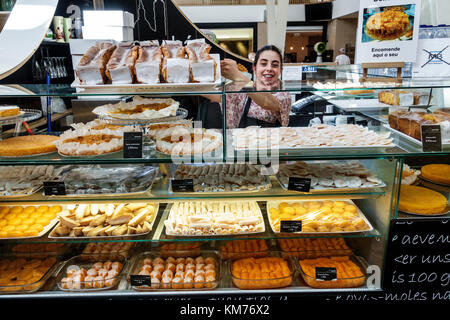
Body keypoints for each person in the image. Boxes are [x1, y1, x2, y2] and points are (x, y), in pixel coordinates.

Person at [205, 45, 292, 128]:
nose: (269, 68)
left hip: (272, 142)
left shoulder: (284, 95)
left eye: (275, 65)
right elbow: (215, 95)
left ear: (281, 70)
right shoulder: (241, 89)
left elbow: (267, 102)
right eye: (263, 64)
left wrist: (238, 76)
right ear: (255, 68)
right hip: (243, 142)